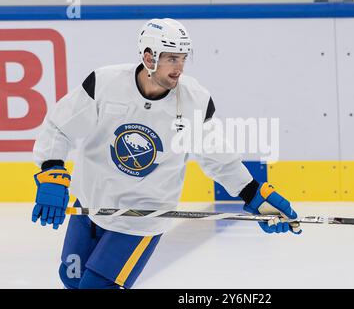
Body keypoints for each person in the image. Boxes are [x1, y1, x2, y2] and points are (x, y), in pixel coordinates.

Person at [31, 18, 302, 289]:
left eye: (183, 58)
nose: (179, 68)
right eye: (172, 58)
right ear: (149, 57)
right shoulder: (104, 84)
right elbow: (58, 125)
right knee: (72, 278)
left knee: (97, 286)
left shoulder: (194, 100)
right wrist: (51, 170)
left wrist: (255, 194)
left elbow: (218, 159)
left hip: (142, 218)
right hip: (90, 206)